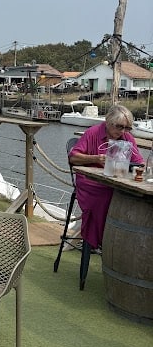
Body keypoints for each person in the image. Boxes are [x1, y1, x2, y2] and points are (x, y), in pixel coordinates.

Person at [69, 104, 144, 249]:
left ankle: (118, 241)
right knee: (109, 195)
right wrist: (96, 159)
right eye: (119, 126)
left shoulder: (127, 138)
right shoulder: (93, 132)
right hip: (90, 181)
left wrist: (136, 167)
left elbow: (139, 162)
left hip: (114, 181)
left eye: (127, 128)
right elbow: (73, 158)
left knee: (130, 196)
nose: (122, 131)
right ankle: (101, 240)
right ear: (108, 122)